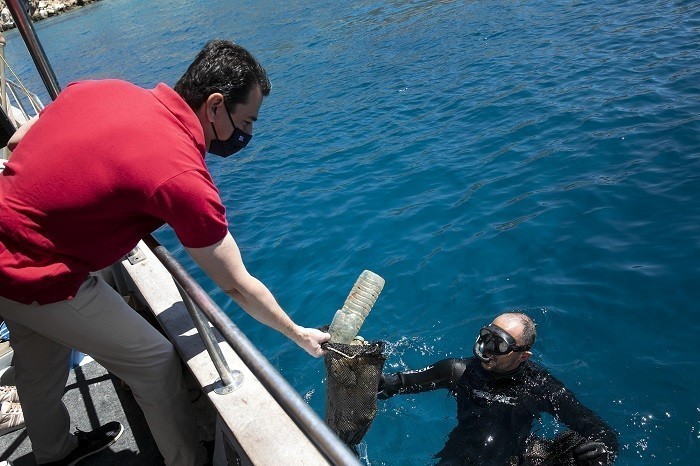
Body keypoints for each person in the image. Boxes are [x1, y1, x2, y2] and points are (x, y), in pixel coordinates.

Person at [0, 40, 330, 465]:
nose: (246, 135)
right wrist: (298, 333)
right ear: (215, 106)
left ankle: (54, 452)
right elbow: (236, 285)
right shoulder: (181, 173)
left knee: (39, 363)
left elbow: (19, 139)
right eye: (246, 121)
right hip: (37, 271)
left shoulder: (103, 88)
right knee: (154, 361)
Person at [378, 313, 618, 465]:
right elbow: (396, 383)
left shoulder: (540, 387)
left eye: (500, 344)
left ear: (523, 356)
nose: (487, 348)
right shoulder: (458, 371)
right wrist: (370, 373)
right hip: (458, 457)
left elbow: (600, 431)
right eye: (486, 336)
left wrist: (602, 450)